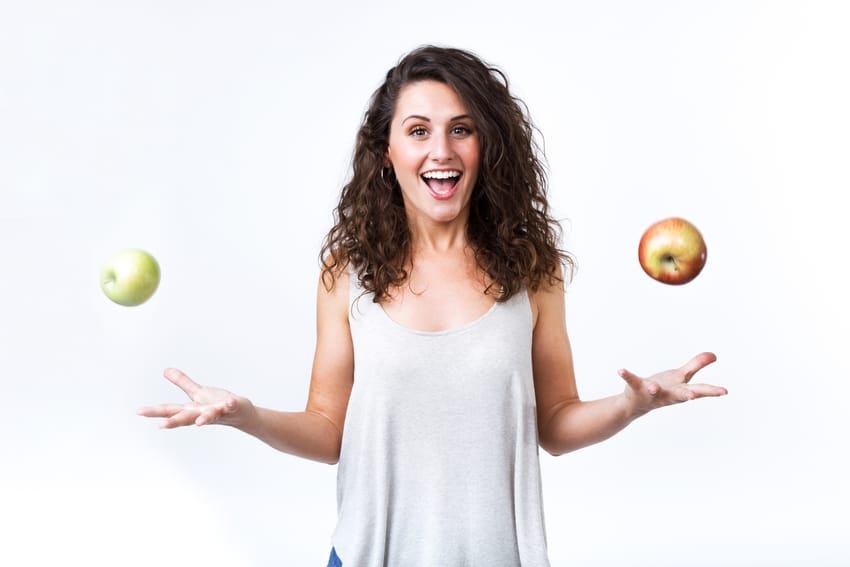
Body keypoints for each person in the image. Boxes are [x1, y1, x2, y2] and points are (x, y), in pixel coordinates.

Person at [138, 45, 727, 566]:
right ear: (387, 151)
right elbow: (327, 431)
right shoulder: (348, 273)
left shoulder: (534, 272)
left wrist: (632, 404)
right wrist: (248, 416)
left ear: (486, 146)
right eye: (418, 130)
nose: (440, 150)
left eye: (462, 129)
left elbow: (554, 424)